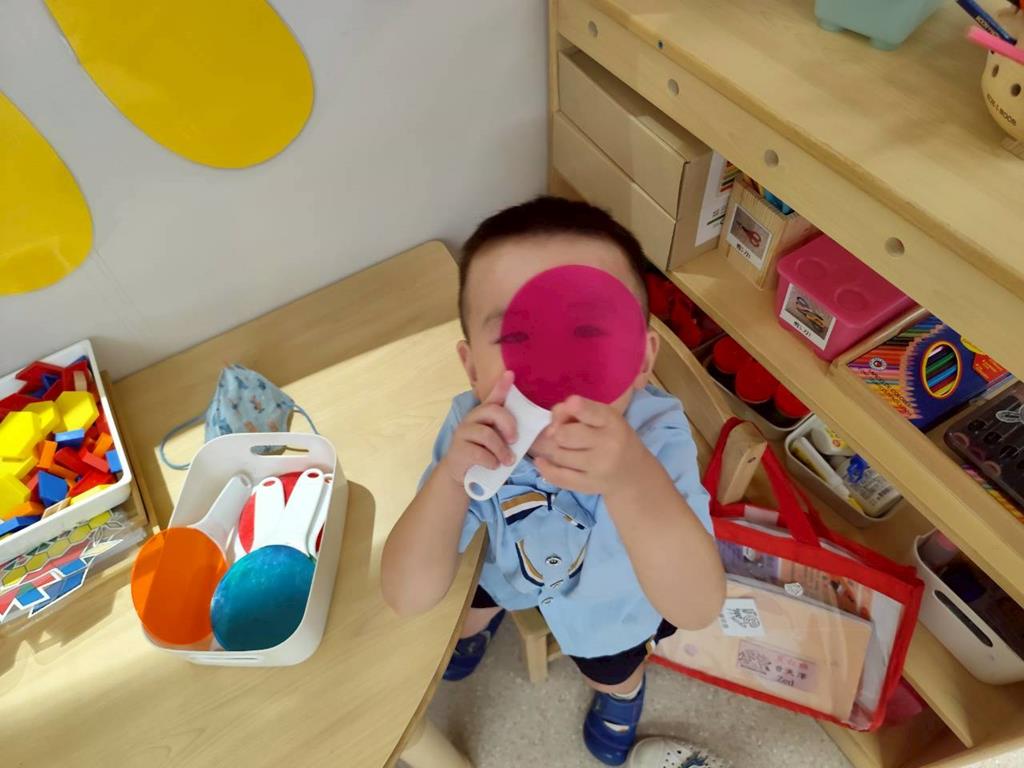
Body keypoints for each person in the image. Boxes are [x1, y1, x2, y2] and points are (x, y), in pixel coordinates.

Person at [381, 196, 726, 766]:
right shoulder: (473, 428)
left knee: (610, 670)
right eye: (517, 338)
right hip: (508, 572)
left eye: (588, 330)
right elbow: (405, 594)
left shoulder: (657, 437)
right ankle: (479, 628)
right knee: (466, 610)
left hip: (611, 611)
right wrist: (450, 477)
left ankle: (622, 697)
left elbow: (696, 607)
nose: (557, 363)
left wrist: (632, 477)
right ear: (472, 369)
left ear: (642, 359)